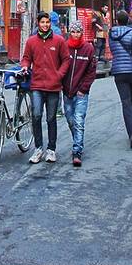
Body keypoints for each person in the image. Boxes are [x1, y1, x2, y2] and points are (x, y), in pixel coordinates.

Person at [21, 11, 69, 164]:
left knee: (50, 118)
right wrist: (25, 66)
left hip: (53, 86)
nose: (45, 25)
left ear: (50, 23)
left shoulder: (59, 40)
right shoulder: (31, 41)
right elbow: (26, 58)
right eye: (42, 22)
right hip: (36, 85)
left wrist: (59, 75)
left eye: (47, 22)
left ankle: (51, 149)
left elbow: (66, 60)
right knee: (36, 116)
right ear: (38, 23)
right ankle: (38, 148)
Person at [61, 20, 97, 167]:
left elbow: (91, 71)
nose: (75, 34)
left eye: (78, 32)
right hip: (67, 92)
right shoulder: (64, 47)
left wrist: (84, 88)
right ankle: (77, 139)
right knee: (70, 120)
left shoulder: (88, 49)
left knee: (79, 120)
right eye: (73, 32)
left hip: (81, 92)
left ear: (82, 33)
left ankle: (77, 151)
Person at [109, 9, 132, 149]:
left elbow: (113, 50)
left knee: (126, 102)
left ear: (117, 20)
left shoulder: (111, 34)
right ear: (128, 20)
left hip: (119, 70)